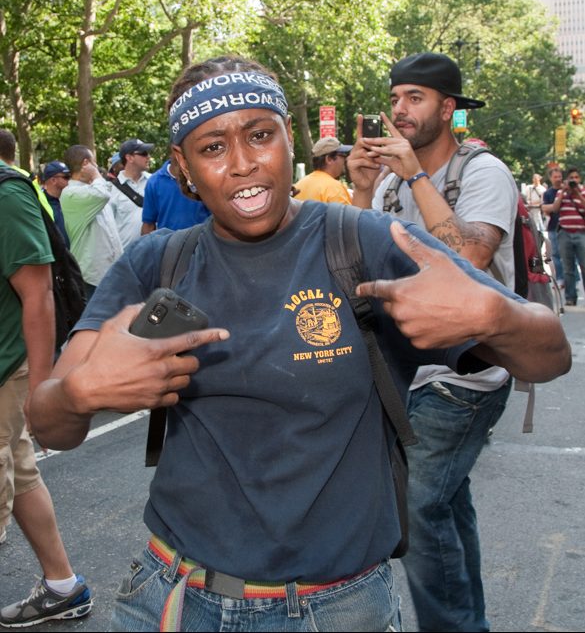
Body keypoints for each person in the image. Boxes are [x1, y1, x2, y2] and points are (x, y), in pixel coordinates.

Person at [28, 56, 570, 633]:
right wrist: (79, 394)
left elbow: (549, 355)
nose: (242, 165)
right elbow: (50, 425)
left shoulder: (362, 240)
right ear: (183, 168)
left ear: (291, 138)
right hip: (171, 599)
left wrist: (493, 315)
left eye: (260, 135)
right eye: (212, 148)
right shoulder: (154, 262)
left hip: (336, 609)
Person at [349, 51, 520, 633]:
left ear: (448, 109)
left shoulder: (481, 171)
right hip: (409, 371)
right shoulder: (393, 176)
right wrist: (364, 190)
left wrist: (417, 177)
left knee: (417, 510)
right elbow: (356, 257)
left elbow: (470, 259)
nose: (399, 110)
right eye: (395, 97)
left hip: (466, 376)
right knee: (443, 504)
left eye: (415, 98)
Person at [0, 161, 92, 628]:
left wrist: (41, 395)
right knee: (19, 471)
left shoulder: (6, 194)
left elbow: (38, 296)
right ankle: (63, 586)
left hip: (3, 370)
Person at [60, 145, 123, 301]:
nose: (97, 167)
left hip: (110, 272)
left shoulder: (93, 189)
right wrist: (95, 174)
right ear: (86, 163)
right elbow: (102, 194)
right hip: (92, 276)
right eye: (94, 163)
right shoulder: (71, 193)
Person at [543, 166, 585, 306]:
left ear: (579, 179)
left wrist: (577, 194)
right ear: (567, 179)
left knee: (584, 265)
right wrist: (563, 193)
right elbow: (554, 208)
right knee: (568, 268)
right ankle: (570, 297)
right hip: (564, 233)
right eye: (571, 178)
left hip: (581, 232)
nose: (574, 180)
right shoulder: (561, 192)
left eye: (576, 178)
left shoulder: (583, 191)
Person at [141, 152, 210, 234]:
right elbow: (148, 224)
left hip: (201, 241)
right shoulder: (154, 182)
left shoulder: (202, 176)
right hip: (167, 243)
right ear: (172, 151)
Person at [109, 139, 153, 249]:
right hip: (125, 257)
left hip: (154, 252)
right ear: (129, 158)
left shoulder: (154, 182)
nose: (148, 157)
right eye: (144, 153)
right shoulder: (111, 189)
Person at [293, 136, 352, 203]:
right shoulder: (334, 188)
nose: (346, 159)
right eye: (343, 155)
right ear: (329, 159)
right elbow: (348, 213)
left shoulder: (299, 185)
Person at [542, 167, 565, 285]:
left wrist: (552, 207)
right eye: (555, 177)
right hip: (553, 227)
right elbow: (545, 209)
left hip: (567, 228)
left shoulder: (568, 190)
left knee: (570, 256)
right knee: (556, 254)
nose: (558, 179)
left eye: (559, 176)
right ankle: (560, 278)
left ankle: (573, 281)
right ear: (551, 178)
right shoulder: (548, 193)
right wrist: (555, 206)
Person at [41, 160, 71, 248]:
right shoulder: (42, 204)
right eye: (66, 177)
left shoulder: (69, 200)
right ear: (53, 180)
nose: (70, 180)